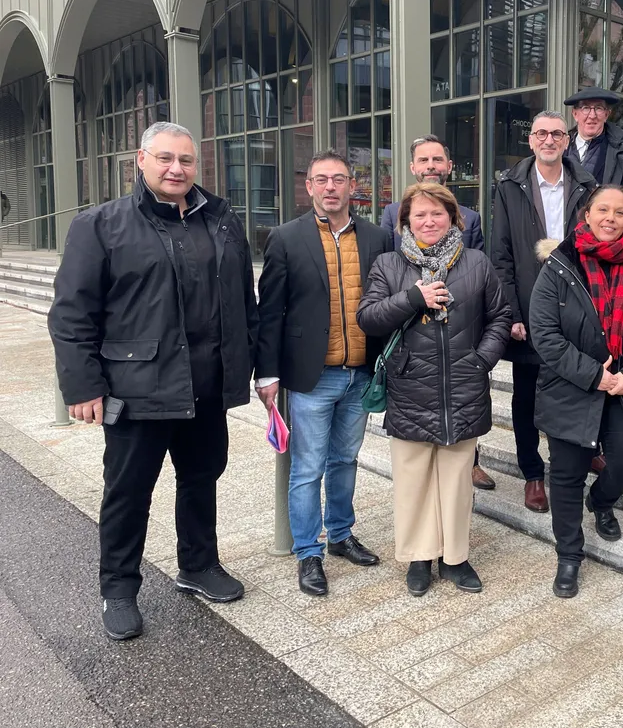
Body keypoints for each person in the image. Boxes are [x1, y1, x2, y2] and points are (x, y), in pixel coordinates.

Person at [48, 122, 257, 641]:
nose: (176, 169)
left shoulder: (224, 220)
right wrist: (82, 386)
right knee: (128, 491)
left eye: (185, 160)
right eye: (165, 159)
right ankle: (118, 588)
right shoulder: (101, 225)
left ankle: (198, 565)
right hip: (137, 388)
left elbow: (242, 303)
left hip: (206, 385)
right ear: (140, 160)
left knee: (201, 476)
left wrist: (252, 366)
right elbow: (72, 315)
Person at [357, 183, 510, 597]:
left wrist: (482, 360)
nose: (429, 221)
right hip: (411, 386)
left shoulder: (476, 262)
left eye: (438, 214)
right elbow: (368, 318)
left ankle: (455, 557)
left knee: (457, 479)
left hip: (464, 385)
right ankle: (420, 557)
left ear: (453, 218)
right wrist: (413, 297)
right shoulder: (388, 265)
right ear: (405, 220)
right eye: (419, 214)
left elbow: (500, 316)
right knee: (413, 478)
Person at [255, 150, 391, 597]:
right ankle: (307, 554)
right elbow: (269, 311)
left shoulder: (376, 238)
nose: (331, 187)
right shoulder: (285, 238)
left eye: (339, 179)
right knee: (308, 467)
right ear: (309, 186)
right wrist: (267, 373)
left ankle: (340, 535)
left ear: (353, 186)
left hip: (360, 374)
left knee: (345, 461)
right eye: (321, 180)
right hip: (312, 376)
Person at [529, 185, 623, 598]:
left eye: (620, 212)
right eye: (603, 209)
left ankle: (601, 502)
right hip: (571, 385)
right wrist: (592, 374)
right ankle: (569, 556)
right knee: (565, 475)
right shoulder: (559, 263)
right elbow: (545, 335)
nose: (610, 218)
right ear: (586, 214)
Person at [491, 110, 596, 512]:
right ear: (531, 141)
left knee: (581, 384)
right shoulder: (510, 186)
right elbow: (500, 254)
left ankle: (585, 453)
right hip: (530, 307)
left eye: (556, 133)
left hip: (580, 305)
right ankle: (533, 473)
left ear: (566, 140)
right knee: (527, 396)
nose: (549, 140)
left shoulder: (587, 186)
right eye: (540, 133)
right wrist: (512, 312)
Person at [378, 134, 493, 491]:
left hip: (459, 330)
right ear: (413, 168)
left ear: (448, 167)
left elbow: (480, 274)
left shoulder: (470, 218)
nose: (431, 166)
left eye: (437, 160)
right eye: (424, 160)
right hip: (412, 328)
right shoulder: (392, 212)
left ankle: (469, 462)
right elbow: (384, 269)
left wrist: (481, 353)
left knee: (463, 400)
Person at [563, 87, 623, 209]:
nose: (592, 115)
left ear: (607, 114)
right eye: (585, 108)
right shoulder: (559, 148)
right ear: (575, 114)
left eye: (598, 108)